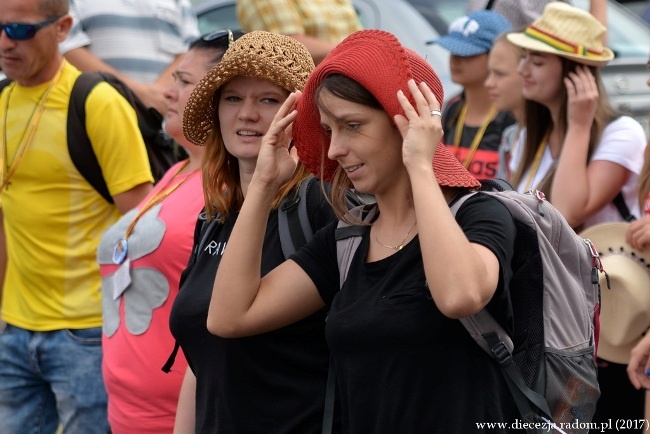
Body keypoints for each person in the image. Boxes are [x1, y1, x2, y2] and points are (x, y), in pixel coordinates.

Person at [208, 29, 521, 433]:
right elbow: (229, 317)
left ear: (407, 124)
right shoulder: (348, 240)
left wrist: (422, 166)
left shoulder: (480, 214)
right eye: (328, 130)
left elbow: (459, 296)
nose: (334, 148)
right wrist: (263, 187)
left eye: (352, 126)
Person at [168, 31, 338, 433]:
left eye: (268, 100)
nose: (247, 114)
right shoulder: (214, 215)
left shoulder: (319, 205)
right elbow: (203, 359)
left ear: (300, 116)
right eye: (232, 98)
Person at [0, 0, 154, 432]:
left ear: (63, 27)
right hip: (14, 327)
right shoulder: (2, 101)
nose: (4, 43)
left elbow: (141, 226)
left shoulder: (95, 102)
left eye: (18, 30)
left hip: (87, 331)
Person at [506, 2, 647, 429]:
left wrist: (580, 123)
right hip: (546, 311)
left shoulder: (620, 131)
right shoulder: (530, 137)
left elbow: (561, 213)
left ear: (575, 72)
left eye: (537, 59)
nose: (523, 69)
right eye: (523, 58)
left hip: (609, 320)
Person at [95, 30, 243, 434]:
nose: (168, 92)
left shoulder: (235, 187)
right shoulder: (178, 172)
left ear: (222, 101)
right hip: (124, 408)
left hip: (179, 414)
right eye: (171, 79)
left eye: (184, 82)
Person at [60, 0, 200, 115]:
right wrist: (138, 94)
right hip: (102, 116)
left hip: (166, 123)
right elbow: (66, 46)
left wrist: (159, 95)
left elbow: (193, 49)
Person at [430, 10, 516, 179]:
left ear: (496, 56)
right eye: (452, 50)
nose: (455, 59)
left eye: (466, 52)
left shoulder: (513, 116)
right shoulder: (450, 108)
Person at [236, 0, 362, 64]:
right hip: (311, 95)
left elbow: (360, 37)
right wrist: (360, 51)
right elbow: (287, 46)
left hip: (349, 83)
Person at [484, 32, 525, 180]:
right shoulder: (510, 136)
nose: (488, 83)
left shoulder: (555, 139)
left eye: (499, 74)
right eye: (489, 73)